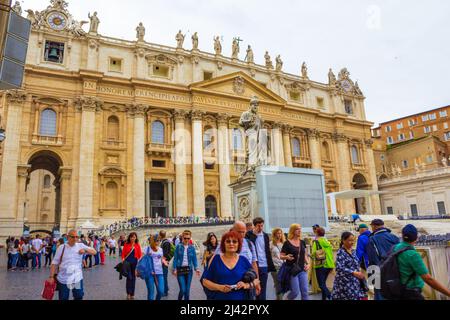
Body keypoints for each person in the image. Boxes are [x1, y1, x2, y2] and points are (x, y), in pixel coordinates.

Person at [393, 224, 450, 300]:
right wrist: (448, 293)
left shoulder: (395, 248)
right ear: (416, 238)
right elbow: (428, 279)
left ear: (402, 236)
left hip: (398, 289)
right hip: (410, 292)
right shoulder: (412, 255)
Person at [202, 231, 260, 300]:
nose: (231, 244)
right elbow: (205, 282)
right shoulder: (215, 259)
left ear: (239, 244)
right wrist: (219, 287)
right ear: (224, 244)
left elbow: (256, 280)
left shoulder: (243, 260)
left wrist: (246, 285)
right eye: (228, 241)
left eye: (234, 242)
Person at [48, 229, 97, 300]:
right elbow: (54, 263)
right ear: (67, 237)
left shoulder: (80, 245)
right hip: (63, 278)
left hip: (76, 278)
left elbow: (94, 252)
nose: (75, 239)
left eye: (77, 237)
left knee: (79, 296)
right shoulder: (61, 247)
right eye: (73, 237)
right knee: (63, 298)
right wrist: (51, 277)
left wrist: (85, 250)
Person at [366, 219, 399, 300]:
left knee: (380, 295)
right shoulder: (394, 237)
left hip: (379, 273)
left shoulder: (372, 239)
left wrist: (371, 279)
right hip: (395, 272)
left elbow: (372, 260)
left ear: (374, 226)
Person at [245, 217, 276, 300]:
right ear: (254, 226)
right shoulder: (248, 235)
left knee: (262, 290)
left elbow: (267, 251)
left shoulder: (265, 235)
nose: (260, 228)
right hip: (253, 265)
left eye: (262, 226)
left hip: (264, 265)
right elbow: (249, 246)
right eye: (258, 226)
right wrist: (254, 235)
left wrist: (270, 264)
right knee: (253, 289)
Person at [332, 232, 366, 300]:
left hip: (354, 282)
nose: (352, 242)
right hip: (345, 283)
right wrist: (353, 272)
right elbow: (339, 267)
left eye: (353, 240)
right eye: (350, 240)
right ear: (343, 240)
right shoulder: (341, 252)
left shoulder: (353, 251)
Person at [280, 224, 310, 300]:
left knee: (305, 291)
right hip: (292, 270)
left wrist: (308, 263)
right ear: (293, 231)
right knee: (295, 292)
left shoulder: (302, 242)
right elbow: (281, 256)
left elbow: (305, 255)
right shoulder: (287, 243)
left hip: (302, 269)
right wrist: (286, 257)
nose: (299, 231)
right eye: (297, 229)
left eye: (300, 229)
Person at [172, 230, 200, 300]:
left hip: (189, 270)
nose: (187, 240)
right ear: (182, 238)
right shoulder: (178, 247)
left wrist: (196, 268)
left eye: (188, 238)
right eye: (185, 238)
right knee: (183, 290)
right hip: (180, 270)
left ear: (190, 238)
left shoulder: (192, 248)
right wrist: (174, 269)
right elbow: (175, 258)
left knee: (187, 292)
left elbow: (194, 259)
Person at [311, 227, 335, 300]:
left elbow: (313, 253)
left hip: (321, 265)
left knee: (321, 285)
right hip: (329, 264)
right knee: (323, 284)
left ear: (317, 233)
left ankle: (331, 297)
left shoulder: (316, 242)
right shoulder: (327, 241)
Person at [141, 235, 168, 300]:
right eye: (156, 240)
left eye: (159, 241)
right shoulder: (146, 249)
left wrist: (164, 261)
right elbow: (141, 260)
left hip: (159, 272)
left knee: (161, 291)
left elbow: (161, 258)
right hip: (149, 273)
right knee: (151, 292)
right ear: (152, 241)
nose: (158, 242)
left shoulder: (160, 249)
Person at [122, 232, 142, 300]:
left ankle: (132, 293)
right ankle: (128, 293)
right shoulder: (126, 244)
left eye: (134, 237)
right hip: (128, 264)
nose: (133, 238)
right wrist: (123, 260)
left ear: (136, 238)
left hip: (135, 264)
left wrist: (139, 264)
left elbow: (139, 255)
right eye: (131, 237)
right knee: (129, 278)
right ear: (129, 238)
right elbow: (123, 254)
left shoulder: (137, 245)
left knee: (133, 278)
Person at [270, 228, 285, 300]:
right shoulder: (271, 244)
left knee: (282, 284)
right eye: (277, 233)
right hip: (275, 267)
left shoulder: (284, 243)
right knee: (278, 284)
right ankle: (279, 298)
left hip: (283, 266)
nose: (279, 235)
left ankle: (278, 298)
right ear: (274, 234)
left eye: (280, 233)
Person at [160, 230, 173, 297]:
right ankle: (166, 288)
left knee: (164, 277)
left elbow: (165, 253)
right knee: (164, 276)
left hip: (164, 262)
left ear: (160, 235)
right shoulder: (165, 241)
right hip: (165, 261)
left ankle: (165, 291)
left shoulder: (165, 242)